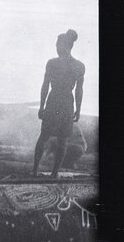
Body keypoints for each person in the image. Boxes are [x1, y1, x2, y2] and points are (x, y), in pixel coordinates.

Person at [32, 29, 86, 178]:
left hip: (55, 101)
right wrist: (78, 109)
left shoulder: (52, 63)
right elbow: (78, 91)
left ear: (65, 45)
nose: (56, 48)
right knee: (59, 139)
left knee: (46, 137)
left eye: (58, 45)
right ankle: (51, 173)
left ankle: (37, 171)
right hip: (66, 103)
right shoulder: (79, 66)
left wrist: (42, 106)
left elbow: (45, 86)